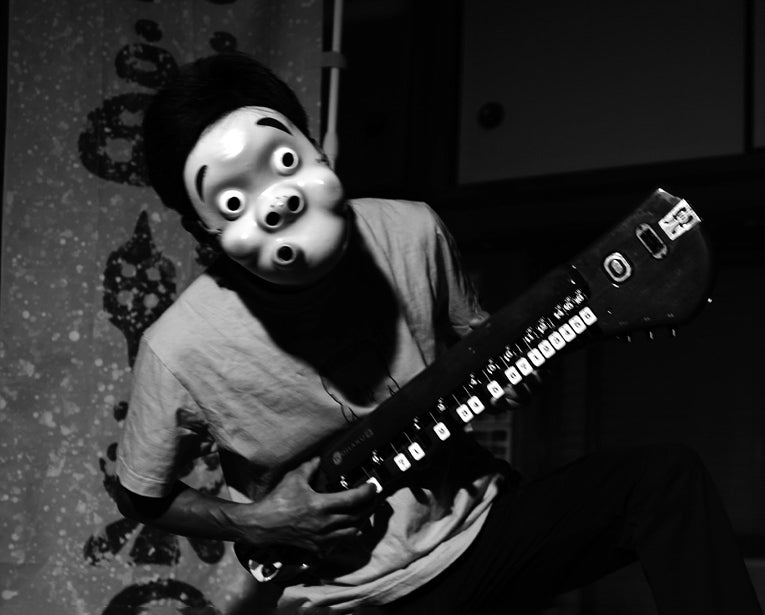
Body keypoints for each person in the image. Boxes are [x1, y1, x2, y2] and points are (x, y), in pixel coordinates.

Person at [114, 52, 763, 614]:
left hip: (482, 528)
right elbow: (142, 496)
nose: (277, 200)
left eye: (284, 160)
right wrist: (258, 521)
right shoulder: (177, 348)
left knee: (664, 482)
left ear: (315, 146)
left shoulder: (413, 230)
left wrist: (520, 370)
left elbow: (476, 338)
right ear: (201, 228)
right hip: (349, 596)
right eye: (233, 200)